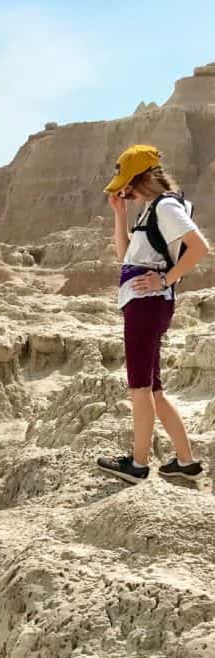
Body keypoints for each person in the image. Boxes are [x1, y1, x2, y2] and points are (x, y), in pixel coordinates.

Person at [98, 144, 209, 484]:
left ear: (141, 179)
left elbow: (200, 247)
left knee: (139, 387)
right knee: (154, 390)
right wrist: (120, 214)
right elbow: (124, 256)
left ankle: (138, 464)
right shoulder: (151, 209)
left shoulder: (166, 206)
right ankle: (186, 461)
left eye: (125, 186)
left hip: (147, 306)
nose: (124, 192)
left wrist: (164, 278)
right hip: (145, 305)